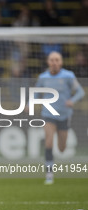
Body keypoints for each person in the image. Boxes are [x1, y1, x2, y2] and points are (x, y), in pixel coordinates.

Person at [34, 51, 85, 185]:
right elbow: (36, 93)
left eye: (57, 60)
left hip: (64, 115)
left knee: (62, 147)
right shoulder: (43, 77)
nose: (54, 62)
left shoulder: (68, 76)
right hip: (48, 114)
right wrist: (29, 103)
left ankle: (60, 148)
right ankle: (49, 174)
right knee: (48, 141)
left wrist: (72, 100)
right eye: (52, 60)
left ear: (61, 62)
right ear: (48, 62)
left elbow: (80, 91)